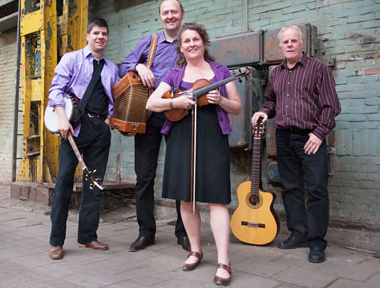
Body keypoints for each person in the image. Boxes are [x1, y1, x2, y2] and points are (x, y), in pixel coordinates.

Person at [146, 23, 242, 286]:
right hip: (181, 137)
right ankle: (196, 249)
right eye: (186, 41)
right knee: (186, 200)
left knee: (216, 199)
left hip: (212, 137)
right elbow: (151, 103)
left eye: (195, 39)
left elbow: (236, 107)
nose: (191, 44)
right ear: (181, 46)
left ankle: (224, 260)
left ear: (204, 42)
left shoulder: (220, 71)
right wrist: (174, 102)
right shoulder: (175, 74)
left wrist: (220, 100)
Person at [251, 25, 341, 263]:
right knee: (290, 187)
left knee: (316, 190)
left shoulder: (318, 68)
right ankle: (298, 234)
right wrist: (262, 112)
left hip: (311, 137)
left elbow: (331, 106)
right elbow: (271, 100)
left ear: (302, 44)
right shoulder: (276, 73)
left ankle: (317, 243)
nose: (289, 45)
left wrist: (319, 134)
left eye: (294, 41)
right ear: (280, 46)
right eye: (285, 42)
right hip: (284, 137)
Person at [119, 0, 190, 252]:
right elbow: (123, 67)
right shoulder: (149, 42)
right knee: (145, 175)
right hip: (149, 114)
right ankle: (146, 232)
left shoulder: (189, 40)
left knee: (183, 173)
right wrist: (139, 65)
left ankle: (184, 232)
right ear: (160, 17)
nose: (170, 16)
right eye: (165, 12)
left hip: (180, 113)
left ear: (182, 14)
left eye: (174, 12)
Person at [48, 18, 118, 260]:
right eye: (96, 33)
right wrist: (62, 120)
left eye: (104, 34)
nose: (100, 37)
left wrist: (108, 121)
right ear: (88, 36)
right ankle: (56, 242)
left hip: (100, 129)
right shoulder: (72, 59)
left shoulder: (111, 68)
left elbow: (114, 98)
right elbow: (55, 90)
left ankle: (87, 236)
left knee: (94, 183)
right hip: (73, 127)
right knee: (64, 183)